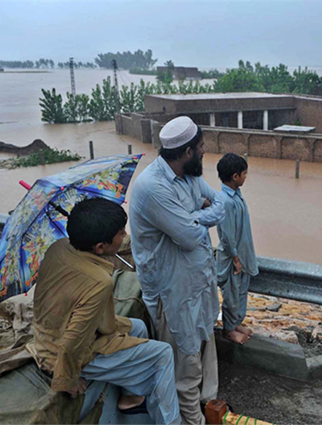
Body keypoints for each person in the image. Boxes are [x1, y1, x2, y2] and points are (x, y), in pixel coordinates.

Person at [27, 198, 181, 425]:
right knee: (163, 354)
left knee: (137, 326)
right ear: (100, 247)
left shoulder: (58, 247)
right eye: (120, 233)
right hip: (60, 353)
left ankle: (130, 396)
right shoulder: (98, 282)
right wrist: (66, 380)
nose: (124, 235)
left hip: (48, 332)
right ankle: (171, 421)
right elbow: (73, 342)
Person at [129, 116, 225, 424]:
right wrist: (199, 218)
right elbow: (186, 238)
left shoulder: (189, 176)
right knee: (184, 363)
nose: (204, 153)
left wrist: (193, 215)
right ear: (187, 152)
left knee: (204, 344)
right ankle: (191, 420)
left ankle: (209, 404)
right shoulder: (153, 187)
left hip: (198, 280)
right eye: (201, 148)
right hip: (173, 292)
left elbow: (220, 202)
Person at [215, 153, 259, 345]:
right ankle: (228, 330)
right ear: (235, 176)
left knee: (241, 292)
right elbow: (227, 235)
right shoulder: (225, 201)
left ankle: (236, 323)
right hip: (233, 259)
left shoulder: (236, 196)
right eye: (244, 174)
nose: (245, 177)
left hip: (242, 255)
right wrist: (235, 258)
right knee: (232, 294)